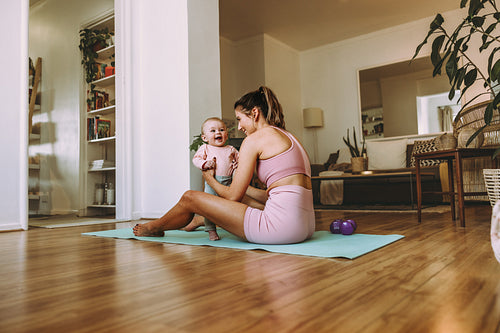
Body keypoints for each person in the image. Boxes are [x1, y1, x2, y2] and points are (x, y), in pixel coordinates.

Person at [133, 86, 315, 244]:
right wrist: (239, 188)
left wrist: (209, 179)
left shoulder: (254, 140)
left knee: (190, 197)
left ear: (255, 113)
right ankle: (200, 219)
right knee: (242, 195)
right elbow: (275, 195)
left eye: (239, 119)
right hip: (305, 226)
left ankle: (153, 227)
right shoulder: (291, 138)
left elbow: (233, 197)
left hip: (279, 229)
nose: (239, 126)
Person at [192, 117, 239, 240]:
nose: (218, 133)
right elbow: (196, 159)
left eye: (221, 130)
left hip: (228, 183)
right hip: (212, 183)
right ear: (204, 138)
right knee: (209, 208)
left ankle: (231, 226)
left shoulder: (231, 149)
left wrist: (237, 165)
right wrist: (204, 163)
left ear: (226, 134)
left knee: (231, 206)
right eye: (213, 131)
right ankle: (211, 230)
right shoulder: (205, 148)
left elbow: (241, 161)